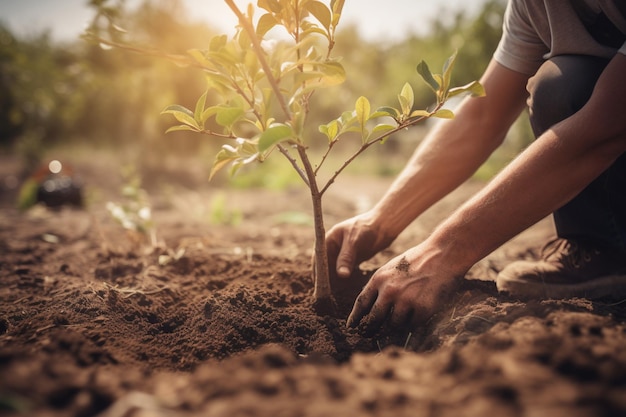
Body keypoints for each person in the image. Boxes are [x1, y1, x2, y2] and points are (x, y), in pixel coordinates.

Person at [326, 0, 626, 332]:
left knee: (562, 87)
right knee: (567, 84)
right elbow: (483, 117)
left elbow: (609, 123)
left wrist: (442, 253)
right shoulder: (534, 7)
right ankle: (606, 255)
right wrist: (381, 220)